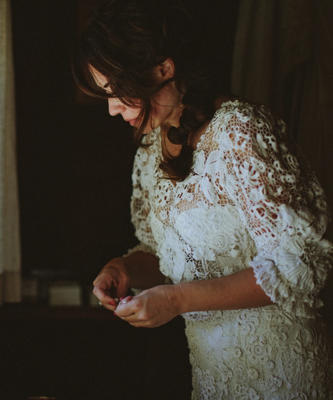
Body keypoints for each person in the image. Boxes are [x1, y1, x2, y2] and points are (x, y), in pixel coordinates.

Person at [72, 0, 333, 398]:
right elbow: (167, 258)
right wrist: (124, 269)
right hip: (214, 376)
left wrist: (177, 300)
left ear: (163, 68)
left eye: (118, 91)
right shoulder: (150, 150)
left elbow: (302, 264)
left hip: (281, 373)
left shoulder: (241, 132)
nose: (111, 109)